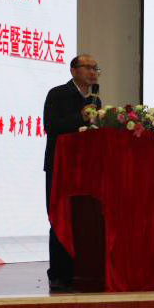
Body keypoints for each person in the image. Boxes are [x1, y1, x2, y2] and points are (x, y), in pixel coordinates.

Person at [43, 54, 102, 290]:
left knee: (84, 219)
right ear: (73, 71)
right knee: (60, 217)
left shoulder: (95, 100)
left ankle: (82, 271)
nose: (93, 72)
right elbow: (51, 126)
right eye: (88, 67)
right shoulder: (58, 94)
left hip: (85, 169)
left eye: (96, 68)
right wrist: (80, 117)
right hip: (60, 166)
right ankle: (59, 274)